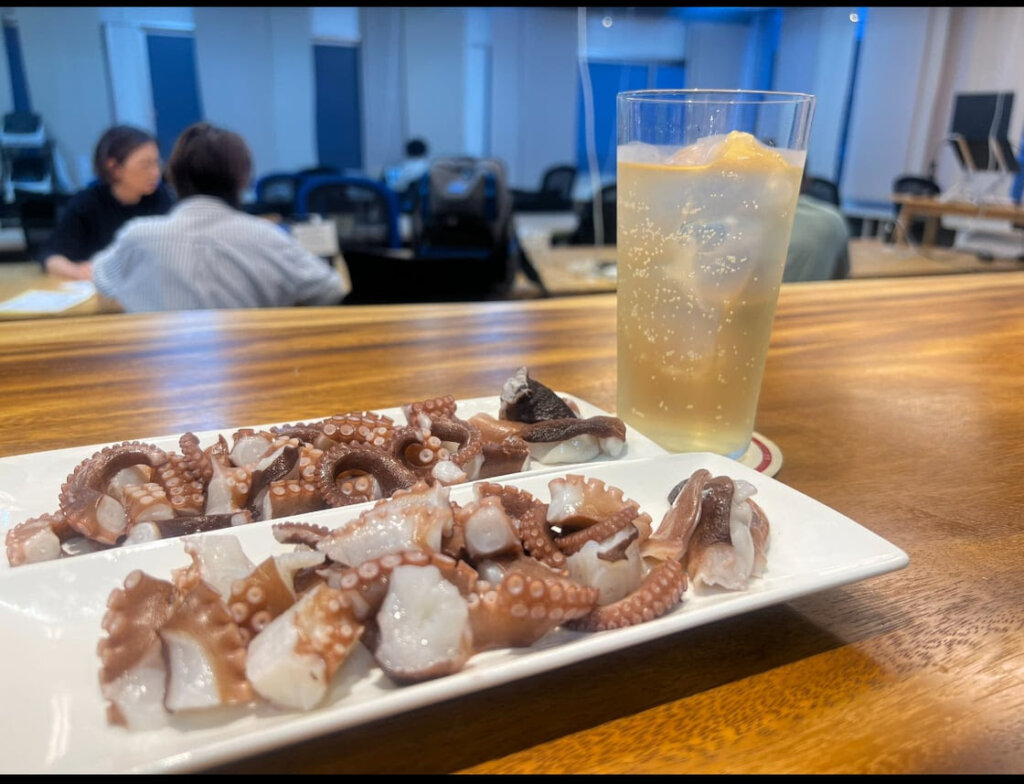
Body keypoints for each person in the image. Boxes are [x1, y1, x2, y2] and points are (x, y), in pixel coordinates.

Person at [92, 123, 350, 312]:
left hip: (160, 369)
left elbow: (101, 278)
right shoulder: (267, 238)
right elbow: (332, 289)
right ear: (242, 180)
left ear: (174, 177)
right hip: (250, 368)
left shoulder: (137, 237)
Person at [38, 125, 174, 280]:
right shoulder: (87, 203)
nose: (155, 173)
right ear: (114, 168)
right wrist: (76, 271)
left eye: (156, 163)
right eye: (145, 165)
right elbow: (50, 255)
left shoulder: (162, 198)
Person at [783, 174, 851, 282]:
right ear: (807, 182)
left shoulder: (758, 220)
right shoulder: (834, 220)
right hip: (816, 292)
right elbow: (840, 277)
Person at [384, 138, 431, 209]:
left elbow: (392, 187)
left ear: (407, 152)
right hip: (423, 206)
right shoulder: (429, 168)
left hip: (399, 205)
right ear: (425, 152)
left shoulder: (396, 169)